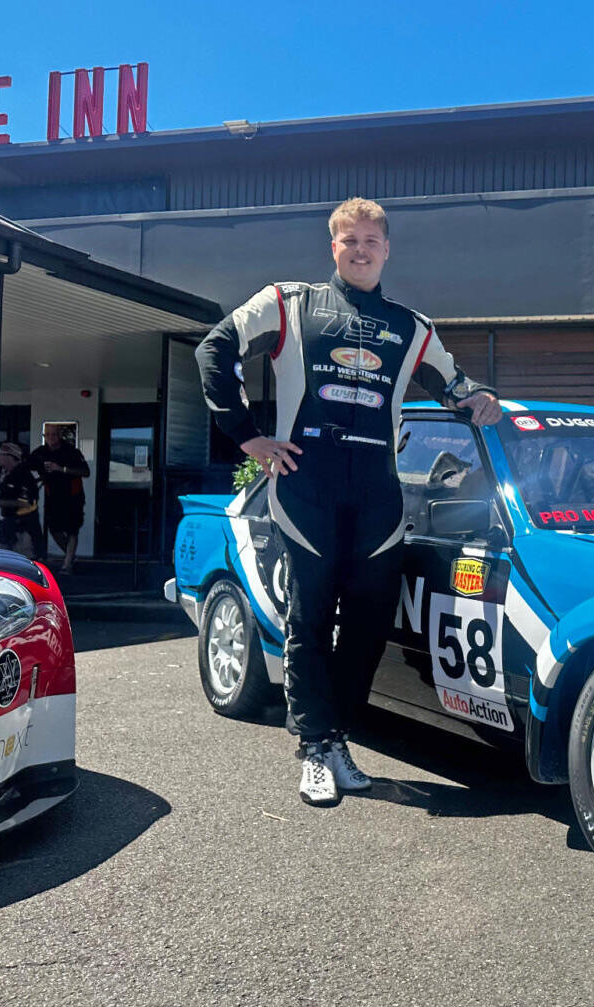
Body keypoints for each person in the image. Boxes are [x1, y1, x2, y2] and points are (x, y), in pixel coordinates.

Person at [195, 197, 502, 808]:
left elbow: (456, 386)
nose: (360, 251)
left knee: (367, 625)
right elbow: (214, 349)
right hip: (306, 488)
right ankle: (313, 747)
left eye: (371, 241)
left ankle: (337, 741)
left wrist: (482, 397)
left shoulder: (412, 327)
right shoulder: (289, 301)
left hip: (378, 496)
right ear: (332, 247)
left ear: (387, 250)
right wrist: (247, 435)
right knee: (309, 618)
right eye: (349, 241)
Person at [27, 424, 90, 574]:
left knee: (72, 529)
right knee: (54, 529)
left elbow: (85, 472)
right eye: (47, 434)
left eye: (53, 434)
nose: (50, 438)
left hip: (73, 496)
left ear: (60, 435)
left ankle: (67, 564)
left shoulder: (71, 452)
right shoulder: (41, 452)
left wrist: (61, 469)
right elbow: (28, 464)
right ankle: (71, 555)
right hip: (53, 497)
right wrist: (41, 467)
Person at [0, 442, 46, 560]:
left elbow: (27, 503)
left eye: (1, 455)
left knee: (25, 561)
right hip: (7, 525)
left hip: (25, 528)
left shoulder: (24, 476)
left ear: (10, 457)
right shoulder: (1, 472)